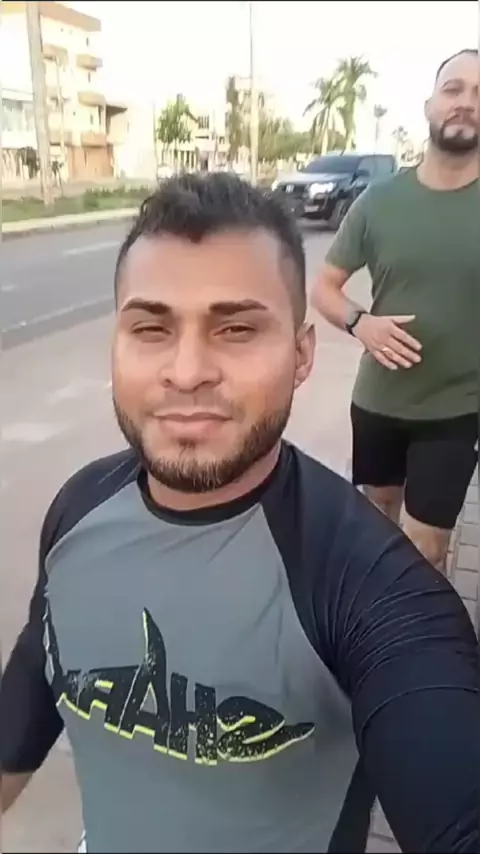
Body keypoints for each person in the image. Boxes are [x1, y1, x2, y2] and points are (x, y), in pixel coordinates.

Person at [0, 173, 477, 854]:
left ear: (301, 354)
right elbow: (36, 681)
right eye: (151, 328)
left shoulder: (372, 586)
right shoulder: (79, 508)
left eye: (236, 329)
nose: (187, 370)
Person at [312, 49, 479, 573]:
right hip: (379, 402)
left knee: (426, 549)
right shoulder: (379, 201)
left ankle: (422, 622)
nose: (466, 102)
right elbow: (325, 287)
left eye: (479, 94)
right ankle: (378, 616)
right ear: (430, 106)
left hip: (455, 409)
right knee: (377, 524)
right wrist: (361, 323)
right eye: (453, 89)